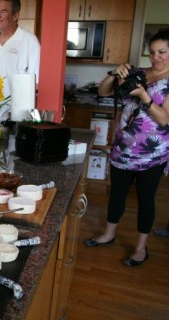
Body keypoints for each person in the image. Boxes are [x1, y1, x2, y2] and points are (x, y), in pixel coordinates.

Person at [84, 28, 169, 266]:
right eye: (152, 52)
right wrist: (113, 73)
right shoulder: (139, 73)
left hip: (152, 154)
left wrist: (144, 96)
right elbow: (103, 92)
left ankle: (141, 248)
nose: (156, 57)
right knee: (117, 196)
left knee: (146, 200)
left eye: (162, 52)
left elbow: (164, 119)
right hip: (122, 149)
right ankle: (109, 234)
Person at [0, 0, 40, 121]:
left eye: (3, 12)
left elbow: (36, 84)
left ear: (16, 16)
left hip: (17, 118)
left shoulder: (30, 41)